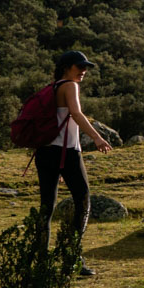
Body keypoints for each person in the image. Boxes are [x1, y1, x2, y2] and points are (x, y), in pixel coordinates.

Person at [39, 51, 113, 275]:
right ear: (66, 67)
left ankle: (41, 261)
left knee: (47, 207)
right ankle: (72, 256)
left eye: (86, 67)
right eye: (79, 66)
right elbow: (77, 115)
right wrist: (98, 138)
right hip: (67, 152)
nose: (83, 71)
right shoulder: (70, 86)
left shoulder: (52, 87)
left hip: (45, 152)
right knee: (83, 201)